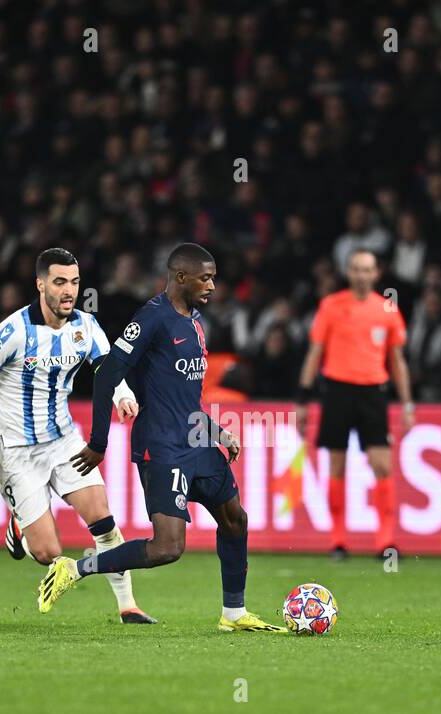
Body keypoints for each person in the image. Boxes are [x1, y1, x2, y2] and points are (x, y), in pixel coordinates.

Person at [38, 243, 283, 633]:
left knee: (235, 520)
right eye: (205, 277)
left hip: (197, 441)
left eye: (214, 277)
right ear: (180, 277)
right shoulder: (151, 319)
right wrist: (98, 442)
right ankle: (76, 568)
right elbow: (105, 375)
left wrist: (217, 432)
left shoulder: (196, 323)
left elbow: (185, 397)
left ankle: (234, 614)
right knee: (168, 548)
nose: (213, 285)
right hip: (162, 446)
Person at [0, 247, 156, 624]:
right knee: (48, 552)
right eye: (60, 282)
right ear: (40, 284)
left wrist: (123, 394)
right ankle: (20, 528)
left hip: (62, 440)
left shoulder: (85, 327)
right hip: (12, 450)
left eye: (75, 282)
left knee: (103, 519)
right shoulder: (13, 332)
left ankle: (128, 606)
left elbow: (107, 371)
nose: (69, 291)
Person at [294, 249, 414, 559]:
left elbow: (397, 360)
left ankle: (385, 542)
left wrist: (407, 402)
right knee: (337, 466)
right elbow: (315, 353)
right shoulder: (331, 306)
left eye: (367, 269)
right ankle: (338, 541)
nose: (362, 274)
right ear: (349, 272)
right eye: (356, 269)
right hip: (337, 391)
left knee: (382, 465)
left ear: (376, 274)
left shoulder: (387, 309)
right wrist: (303, 400)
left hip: (373, 392)